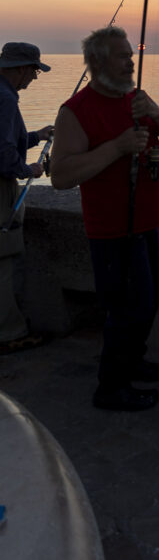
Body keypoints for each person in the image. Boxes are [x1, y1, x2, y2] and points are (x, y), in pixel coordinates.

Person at [50, 26, 159, 410]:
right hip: (113, 231)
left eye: (131, 54)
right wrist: (116, 148)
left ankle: (133, 361)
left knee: (151, 296)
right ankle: (111, 388)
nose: (131, 60)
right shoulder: (75, 111)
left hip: (146, 227)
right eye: (122, 55)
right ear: (98, 62)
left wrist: (156, 113)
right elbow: (60, 176)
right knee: (127, 307)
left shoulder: (137, 99)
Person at [0, 42, 53, 354]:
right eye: (34, 70)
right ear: (20, 68)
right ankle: (8, 334)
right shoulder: (6, 99)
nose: (34, 77)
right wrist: (26, 169)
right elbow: (3, 152)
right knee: (3, 261)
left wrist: (36, 136)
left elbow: (8, 139)